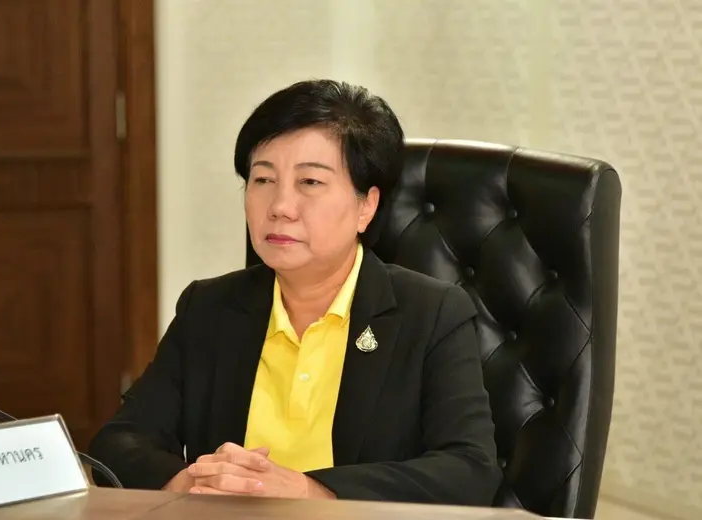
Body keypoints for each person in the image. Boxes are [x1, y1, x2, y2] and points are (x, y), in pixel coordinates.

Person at [88, 79, 502, 505]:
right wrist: (190, 482)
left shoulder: (432, 314)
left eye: (310, 182)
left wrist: (312, 491)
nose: (280, 206)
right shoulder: (208, 308)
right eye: (263, 179)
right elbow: (118, 442)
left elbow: (469, 470)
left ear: (366, 205)